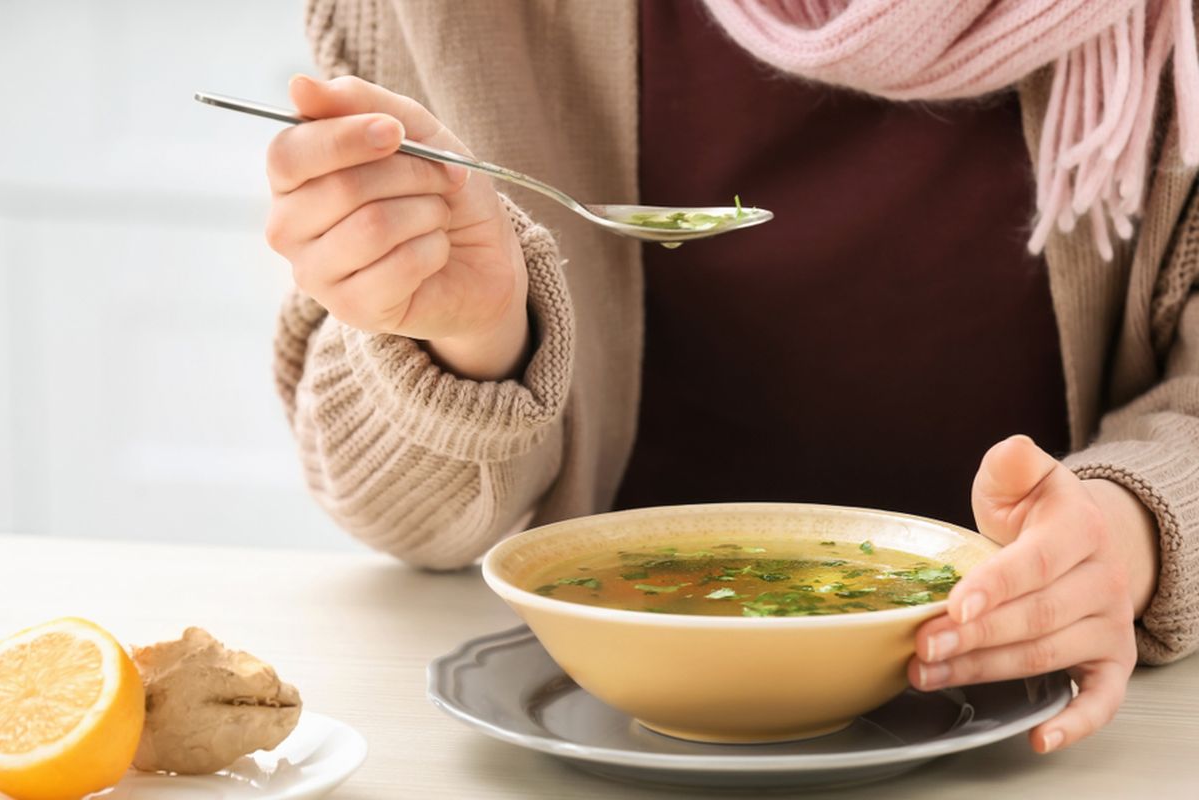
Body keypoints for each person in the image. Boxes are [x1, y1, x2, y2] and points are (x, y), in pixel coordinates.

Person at [268, 0, 1199, 754]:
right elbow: (402, 519)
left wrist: (1127, 536)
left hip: (1048, 737)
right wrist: (467, 330)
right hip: (581, 730)